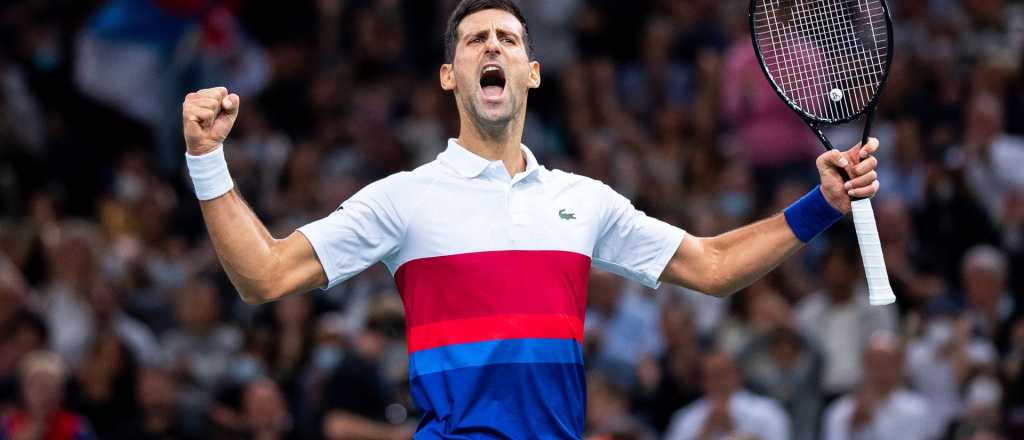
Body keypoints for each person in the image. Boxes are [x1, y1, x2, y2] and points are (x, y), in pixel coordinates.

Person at [179, 0, 883, 437]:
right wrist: (208, 159)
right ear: (450, 76)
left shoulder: (584, 200)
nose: (491, 47)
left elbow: (713, 266)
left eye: (508, 39)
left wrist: (820, 206)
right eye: (474, 39)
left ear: (533, 71)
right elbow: (263, 276)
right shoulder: (401, 199)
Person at [823, 332, 934, 440]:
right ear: (864, 366)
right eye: (876, 364)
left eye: (889, 364)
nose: (882, 371)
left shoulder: (919, 409)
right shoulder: (841, 412)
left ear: (901, 367)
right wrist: (854, 430)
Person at [663, 351, 791, 440]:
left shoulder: (768, 412)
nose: (717, 382)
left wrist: (732, 431)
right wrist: (703, 435)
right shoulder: (686, 419)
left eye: (722, 374)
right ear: (702, 381)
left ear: (737, 374)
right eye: (710, 376)